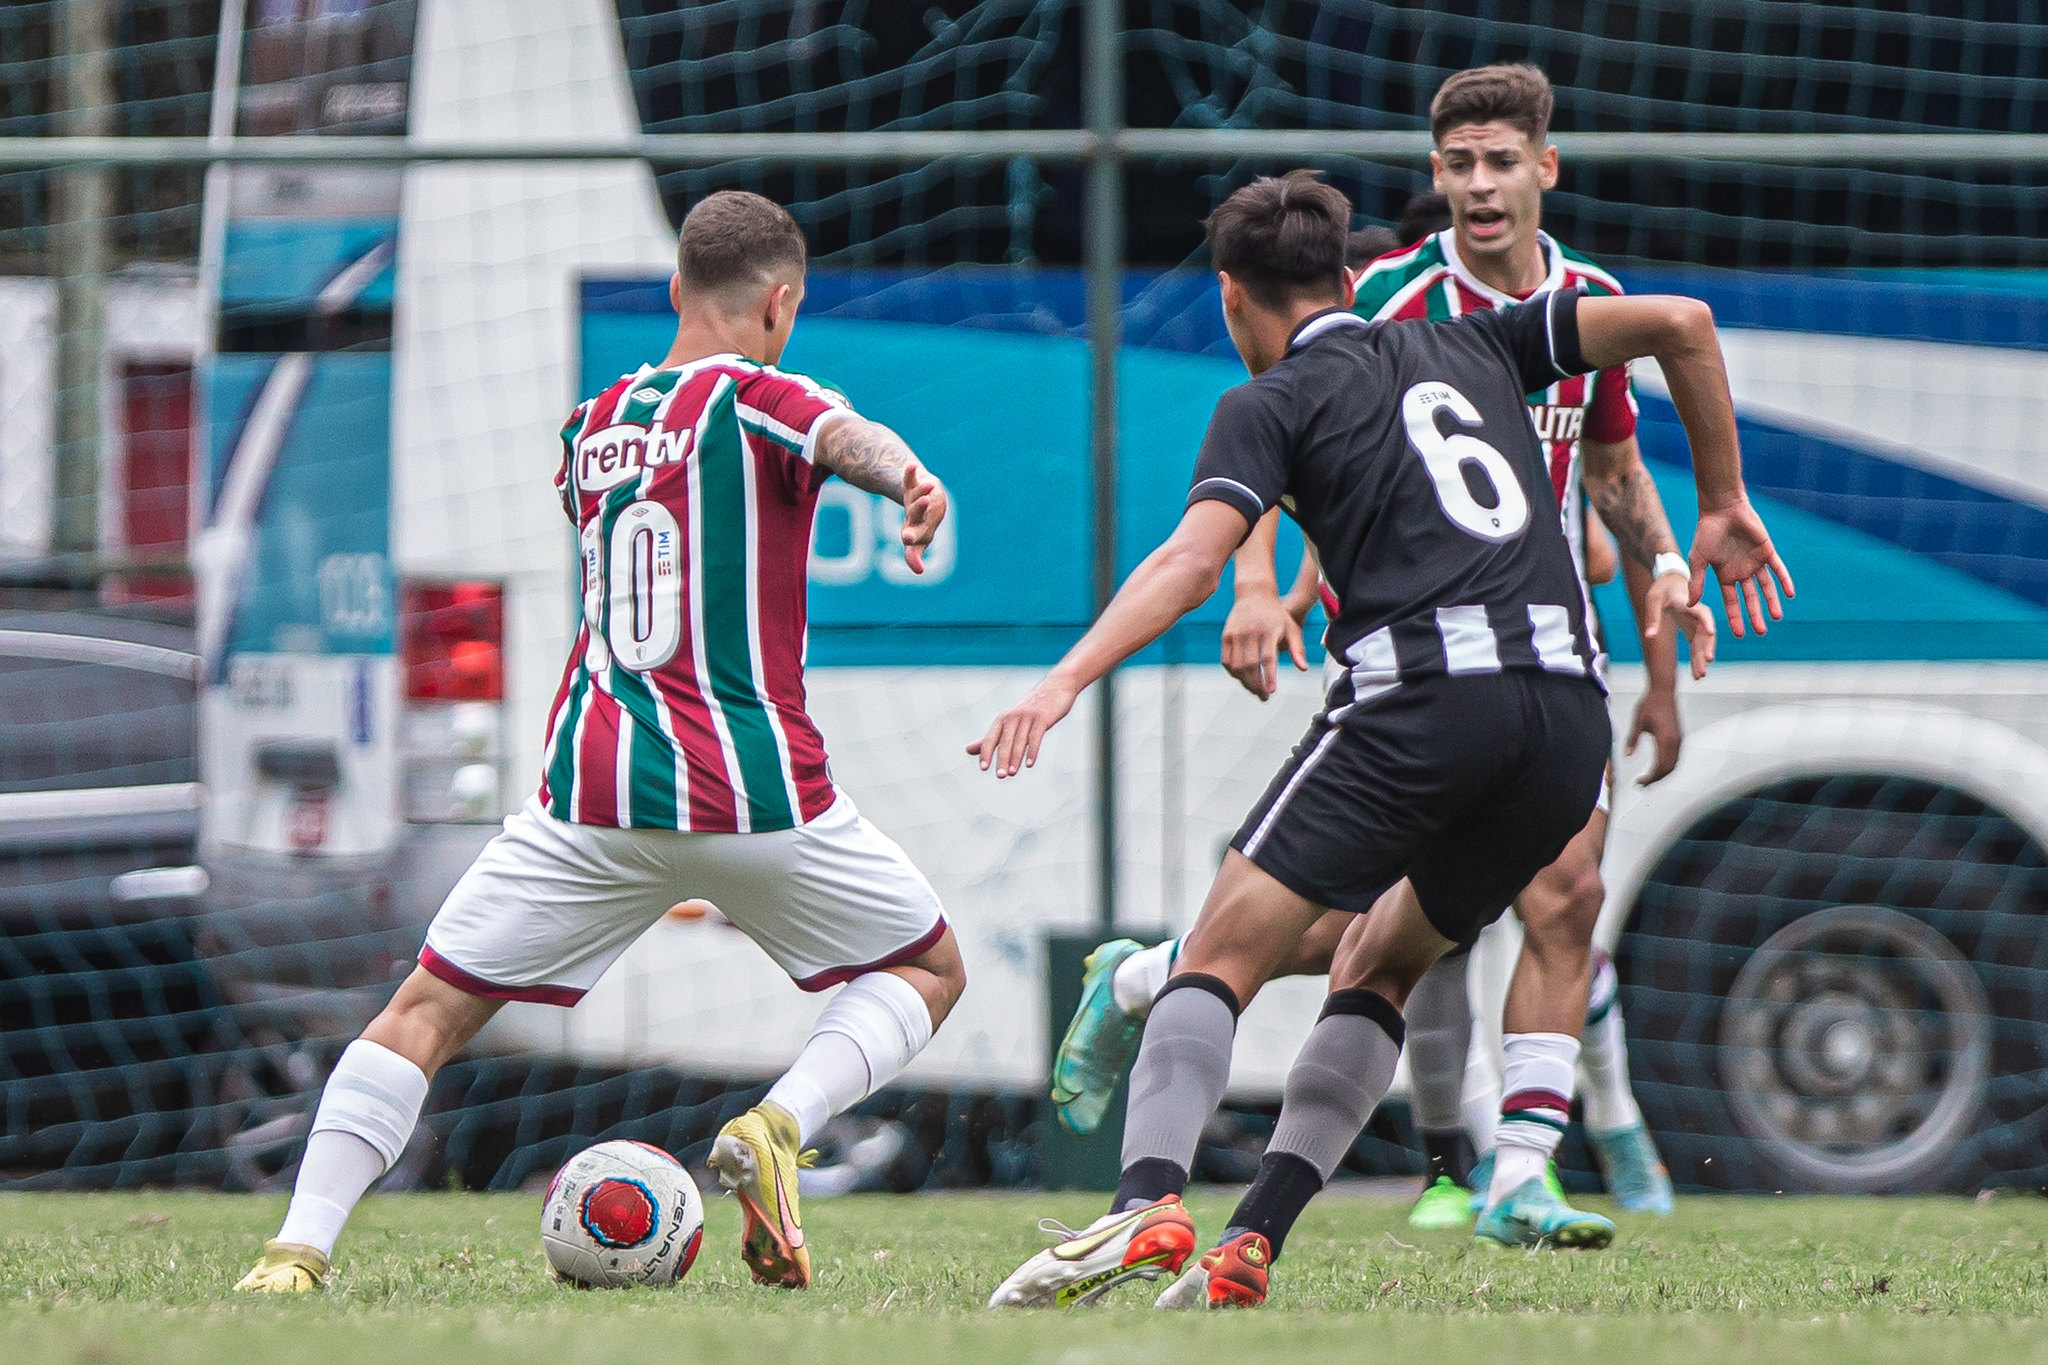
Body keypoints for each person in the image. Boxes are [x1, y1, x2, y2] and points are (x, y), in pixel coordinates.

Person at [982, 170, 1787, 1309]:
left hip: (1423, 701)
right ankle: (1250, 1243)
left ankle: (1142, 1208)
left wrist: (1061, 681)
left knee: (1219, 956)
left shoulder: (1265, 403)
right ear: (1345, 276)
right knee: (1379, 963)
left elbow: (1189, 562)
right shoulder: (1478, 342)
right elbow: (1681, 324)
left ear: (1230, 297)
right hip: (1564, 722)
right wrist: (1718, 502)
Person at [234, 190, 966, 1295]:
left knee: (421, 1016)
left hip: (589, 800)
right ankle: (778, 1123)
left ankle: (296, 1251)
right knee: (926, 966)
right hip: (751, 799)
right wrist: (908, 478)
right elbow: (841, 436)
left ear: (676, 291)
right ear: (780, 302)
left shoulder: (589, 429)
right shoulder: (764, 397)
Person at [1049, 64, 1695, 1233]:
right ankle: (1424, 1165)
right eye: (1458, 165)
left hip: (1535, 651)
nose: (1480, 185)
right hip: (1451, 656)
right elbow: (1299, 449)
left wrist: (1658, 635)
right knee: (1370, 943)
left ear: (1544, 169)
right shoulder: (1409, 307)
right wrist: (1266, 586)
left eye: (1501, 161)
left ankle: (1511, 1171)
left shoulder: (1562, 307)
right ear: (1431, 178)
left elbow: (1612, 481)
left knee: (1559, 897)